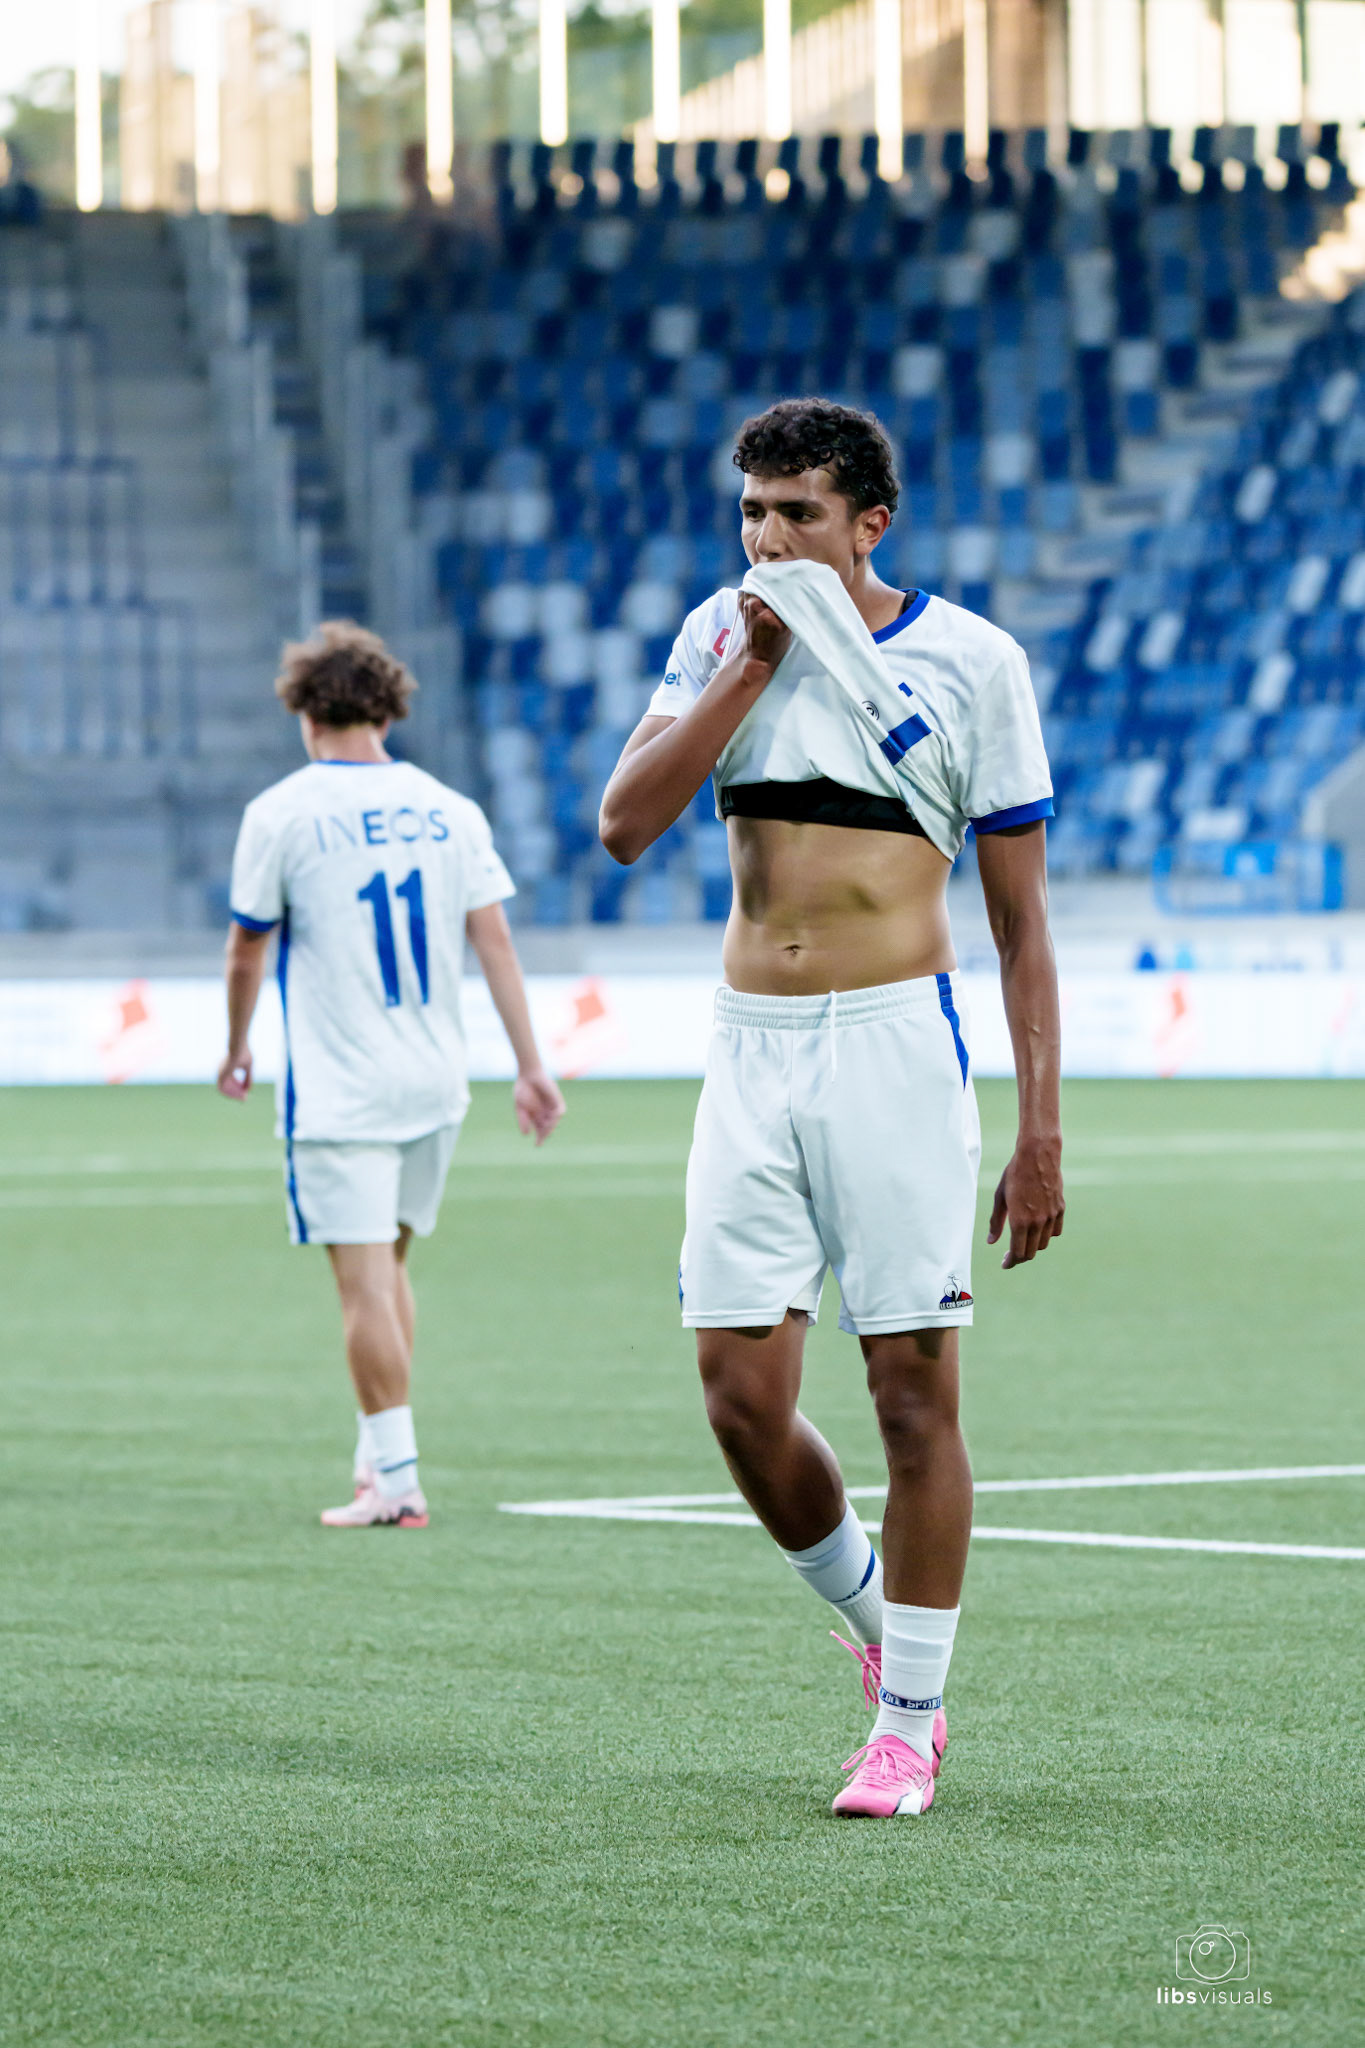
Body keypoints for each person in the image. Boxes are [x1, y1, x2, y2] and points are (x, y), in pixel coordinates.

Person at [599, 399, 1063, 1818]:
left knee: (910, 1391)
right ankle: (879, 1632)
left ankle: (909, 1727)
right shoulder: (711, 635)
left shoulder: (972, 661)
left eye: (797, 512)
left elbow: (1020, 927)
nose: (766, 537)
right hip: (748, 1047)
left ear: (871, 521)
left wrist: (1042, 1128)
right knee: (740, 1397)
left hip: (891, 1048)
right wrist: (746, 672)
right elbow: (622, 825)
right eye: (751, 511)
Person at [218, 621, 564, 1526]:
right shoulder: (451, 809)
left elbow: (247, 945)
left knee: (364, 1284)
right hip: (433, 1079)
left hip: (342, 1088)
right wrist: (531, 1065)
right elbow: (495, 944)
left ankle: (398, 1483)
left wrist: (235, 1041)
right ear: (386, 706)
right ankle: (380, 1464)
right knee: (393, 1269)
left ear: (306, 711)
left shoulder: (282, 812)